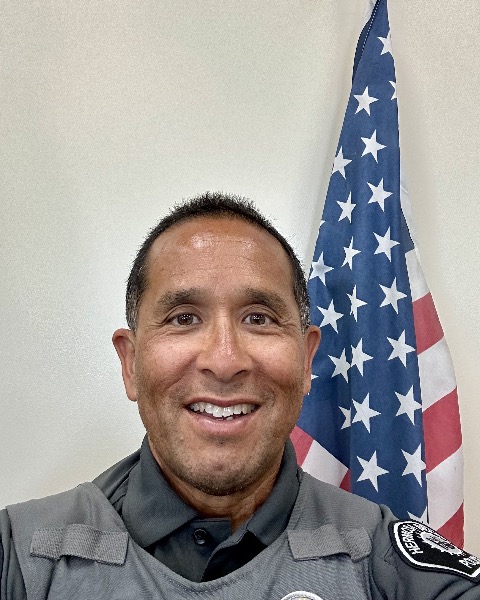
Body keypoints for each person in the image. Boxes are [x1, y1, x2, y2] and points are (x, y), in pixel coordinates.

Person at [1, 192, 479, 599]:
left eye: (259, 318)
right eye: (184, 318)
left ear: (307, 360)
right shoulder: (18, 558)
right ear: (131, 365)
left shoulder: (386, 564)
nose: (225, 360)